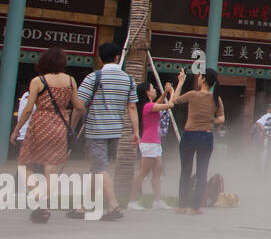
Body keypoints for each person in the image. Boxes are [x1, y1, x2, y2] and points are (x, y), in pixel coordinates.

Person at [10, 48, 84, 221]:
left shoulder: (38, 81)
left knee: (23, 163)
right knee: (51, 167)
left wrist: (17, 129)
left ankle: (37, 196)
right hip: (59, 126)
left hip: (40, 124)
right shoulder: (71, 80)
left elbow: (28, 109)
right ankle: (45, 202)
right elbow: (79, 106)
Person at [75, 42, 139, 220]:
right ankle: (83, 206)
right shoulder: (129, 79)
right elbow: (132, 107)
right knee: (98, 167)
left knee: (100, 167)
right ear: (117, 58)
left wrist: (77, 120)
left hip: (96, 130)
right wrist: (136, 131)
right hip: (115, 131)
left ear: (100, 58)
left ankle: (113, 206)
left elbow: (79, 103)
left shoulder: (93, 77)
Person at [169, 68, 224, 215]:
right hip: (206, 137)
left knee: (186, 171)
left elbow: (174, 100)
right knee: (202, 172)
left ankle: (182, 206)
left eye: (200, 76)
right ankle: (196, 207)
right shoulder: (216, 98)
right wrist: (211, 120)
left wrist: (181, 82)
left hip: (190, 135)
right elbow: (222, 118)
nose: (198, 78)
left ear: (204, 79)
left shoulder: (193, 94)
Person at [128, 79, 176, 210]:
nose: (155, 90)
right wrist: (172, 92)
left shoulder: (149, 105)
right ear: (147, 92)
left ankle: (157, 200)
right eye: (152, 88)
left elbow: (159, 103)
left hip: (154, 143)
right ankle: (132, 201)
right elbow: (170, 105)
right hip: (149, 143)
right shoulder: (148, 106)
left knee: (157, 171)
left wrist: (165, 92)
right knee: (142, 173)